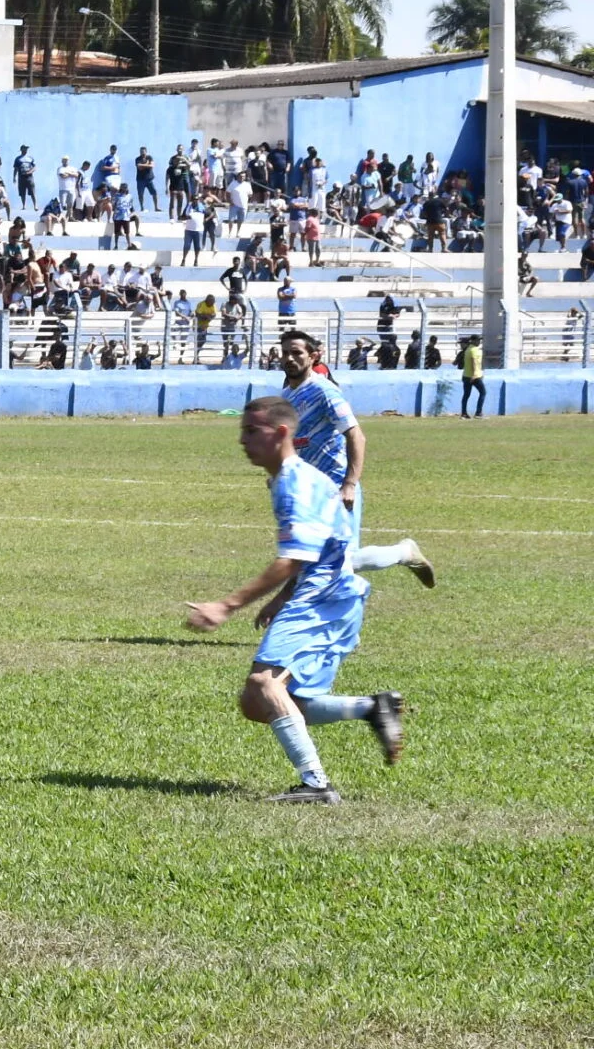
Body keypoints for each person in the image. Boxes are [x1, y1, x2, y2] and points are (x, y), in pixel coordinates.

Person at [182, 395, 406, 803]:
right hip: (324, 592)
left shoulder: (293, 484)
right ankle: (372, 708)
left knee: (264, 684)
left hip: (324, 596)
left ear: (281, 432)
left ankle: (317, 785)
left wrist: (227, 605)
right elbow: (317, 548)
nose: (242, 440)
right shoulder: (296, 476)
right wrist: (280, 599)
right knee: (257, 703)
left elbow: (293, 559)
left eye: (252, 431)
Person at [276, 331, 434, 588]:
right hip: (307, 488)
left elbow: (356, 436)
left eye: (297, 353)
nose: (290, 358)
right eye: (285, 353)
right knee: (310, 556)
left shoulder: (324, 391)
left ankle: (404, 553)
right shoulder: (286, 397)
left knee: (345, 561)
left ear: (313, 356)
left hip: (335, 485)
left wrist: (349, 483)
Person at [458, 334, 487, 419]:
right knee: (483, 392)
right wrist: (475, 374)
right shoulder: (474, 350)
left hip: (466, 375)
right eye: (478, 340)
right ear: (473, 341)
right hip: (474, 376)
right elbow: (474, 362)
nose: (479, 342)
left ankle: (464, 413)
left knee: (466, 395)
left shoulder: (468, 349)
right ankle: (478, 413)